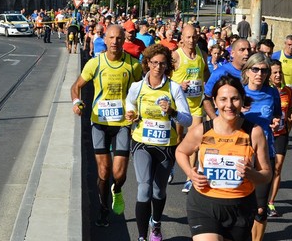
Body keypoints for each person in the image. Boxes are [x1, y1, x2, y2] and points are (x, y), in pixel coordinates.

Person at [175, 75, 273, 241]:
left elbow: (267, 174)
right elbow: (181, 152)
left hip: (241, 206)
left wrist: (252, 174)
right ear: (215, 102)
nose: (229, 105)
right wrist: (191, 175)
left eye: (234, 99)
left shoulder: (253, 132)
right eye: (223, 99)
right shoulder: (202, 130)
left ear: (242, 100)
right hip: (204, 204)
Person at [70, 25, 143, 227]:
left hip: (122, 124)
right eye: (111, 38)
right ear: (105, 38)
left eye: (119, 38)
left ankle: (117, 190)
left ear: (123, 40)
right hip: (100, 123)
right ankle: (103, 209)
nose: (115, 42)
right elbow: (76, 87)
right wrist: (77, 102)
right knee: (103, 171)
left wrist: (136, 110)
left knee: (119, 174)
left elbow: (142, 92)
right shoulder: (95, 63)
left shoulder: (133, 65)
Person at [125, 44, 192, 241]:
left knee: (158, 190)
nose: (158, 67)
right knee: (144, 187)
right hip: (141, 142)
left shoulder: (174, 88)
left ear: (167, 66)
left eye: (162, 64)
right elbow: (129, 103)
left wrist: (172, 111)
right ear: (147, 63)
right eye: (154, 63)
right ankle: (141, 236)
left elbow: (187, 120)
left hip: (165, 145)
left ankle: (156, 223)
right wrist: (131, 113)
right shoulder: (137, 86)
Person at [240, 53, 280, 240]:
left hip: (266, 151)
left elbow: (278, 118)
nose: (259, 74)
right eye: (255, 69)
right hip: (240, 151)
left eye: (264, 70)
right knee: (240, 204)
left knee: (261, 207)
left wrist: (277, 123)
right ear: (247, 71)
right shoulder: (237, 92)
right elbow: (219, 117)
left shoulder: (272, 93)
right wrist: (236, 112)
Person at [171, 25, 211, 193]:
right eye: (188, 37)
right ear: (182, 38)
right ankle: (172, 166)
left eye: (194, 37)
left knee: (195, 141)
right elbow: (165, 77)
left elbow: (207, 74)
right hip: (180, 105)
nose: (191, 40)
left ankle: (189, 177)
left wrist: (208, 87)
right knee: (178, 139)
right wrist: (179, 85)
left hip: (196, 105)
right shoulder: (176, 55)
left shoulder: (201, 55)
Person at [267, 59, 292, 218]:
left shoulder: (287, 91)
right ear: (269, 75)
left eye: (280, 72)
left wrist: (291, 116)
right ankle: (259, 199)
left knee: (277, 168)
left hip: (282, 134)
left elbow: (290, 109)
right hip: (265, 134)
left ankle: (271, 202)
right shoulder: (265, 91)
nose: (278, 75)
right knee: (264, 168)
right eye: (275, 72)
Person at [203, 38, 251, 120]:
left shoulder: (256, 72)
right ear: (232, 53)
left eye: (248, 50)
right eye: (242, 50)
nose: (246, 53)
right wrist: (215, 120)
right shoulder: (220, 72)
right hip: (226, 122)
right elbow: (206, 99)